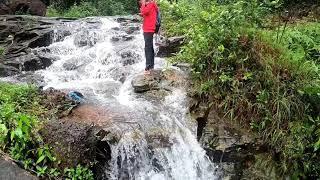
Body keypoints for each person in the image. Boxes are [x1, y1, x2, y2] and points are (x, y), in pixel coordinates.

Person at [139, 0, 159, 75]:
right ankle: (151, 66)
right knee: (150, 47)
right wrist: (144, 5)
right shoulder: (151, 4)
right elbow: (143, 12)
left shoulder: (151, 3)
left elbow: (144, 12)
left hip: (148, 28)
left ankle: (148, 68)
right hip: (149, 28)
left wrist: (144, 3)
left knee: (148, 48)